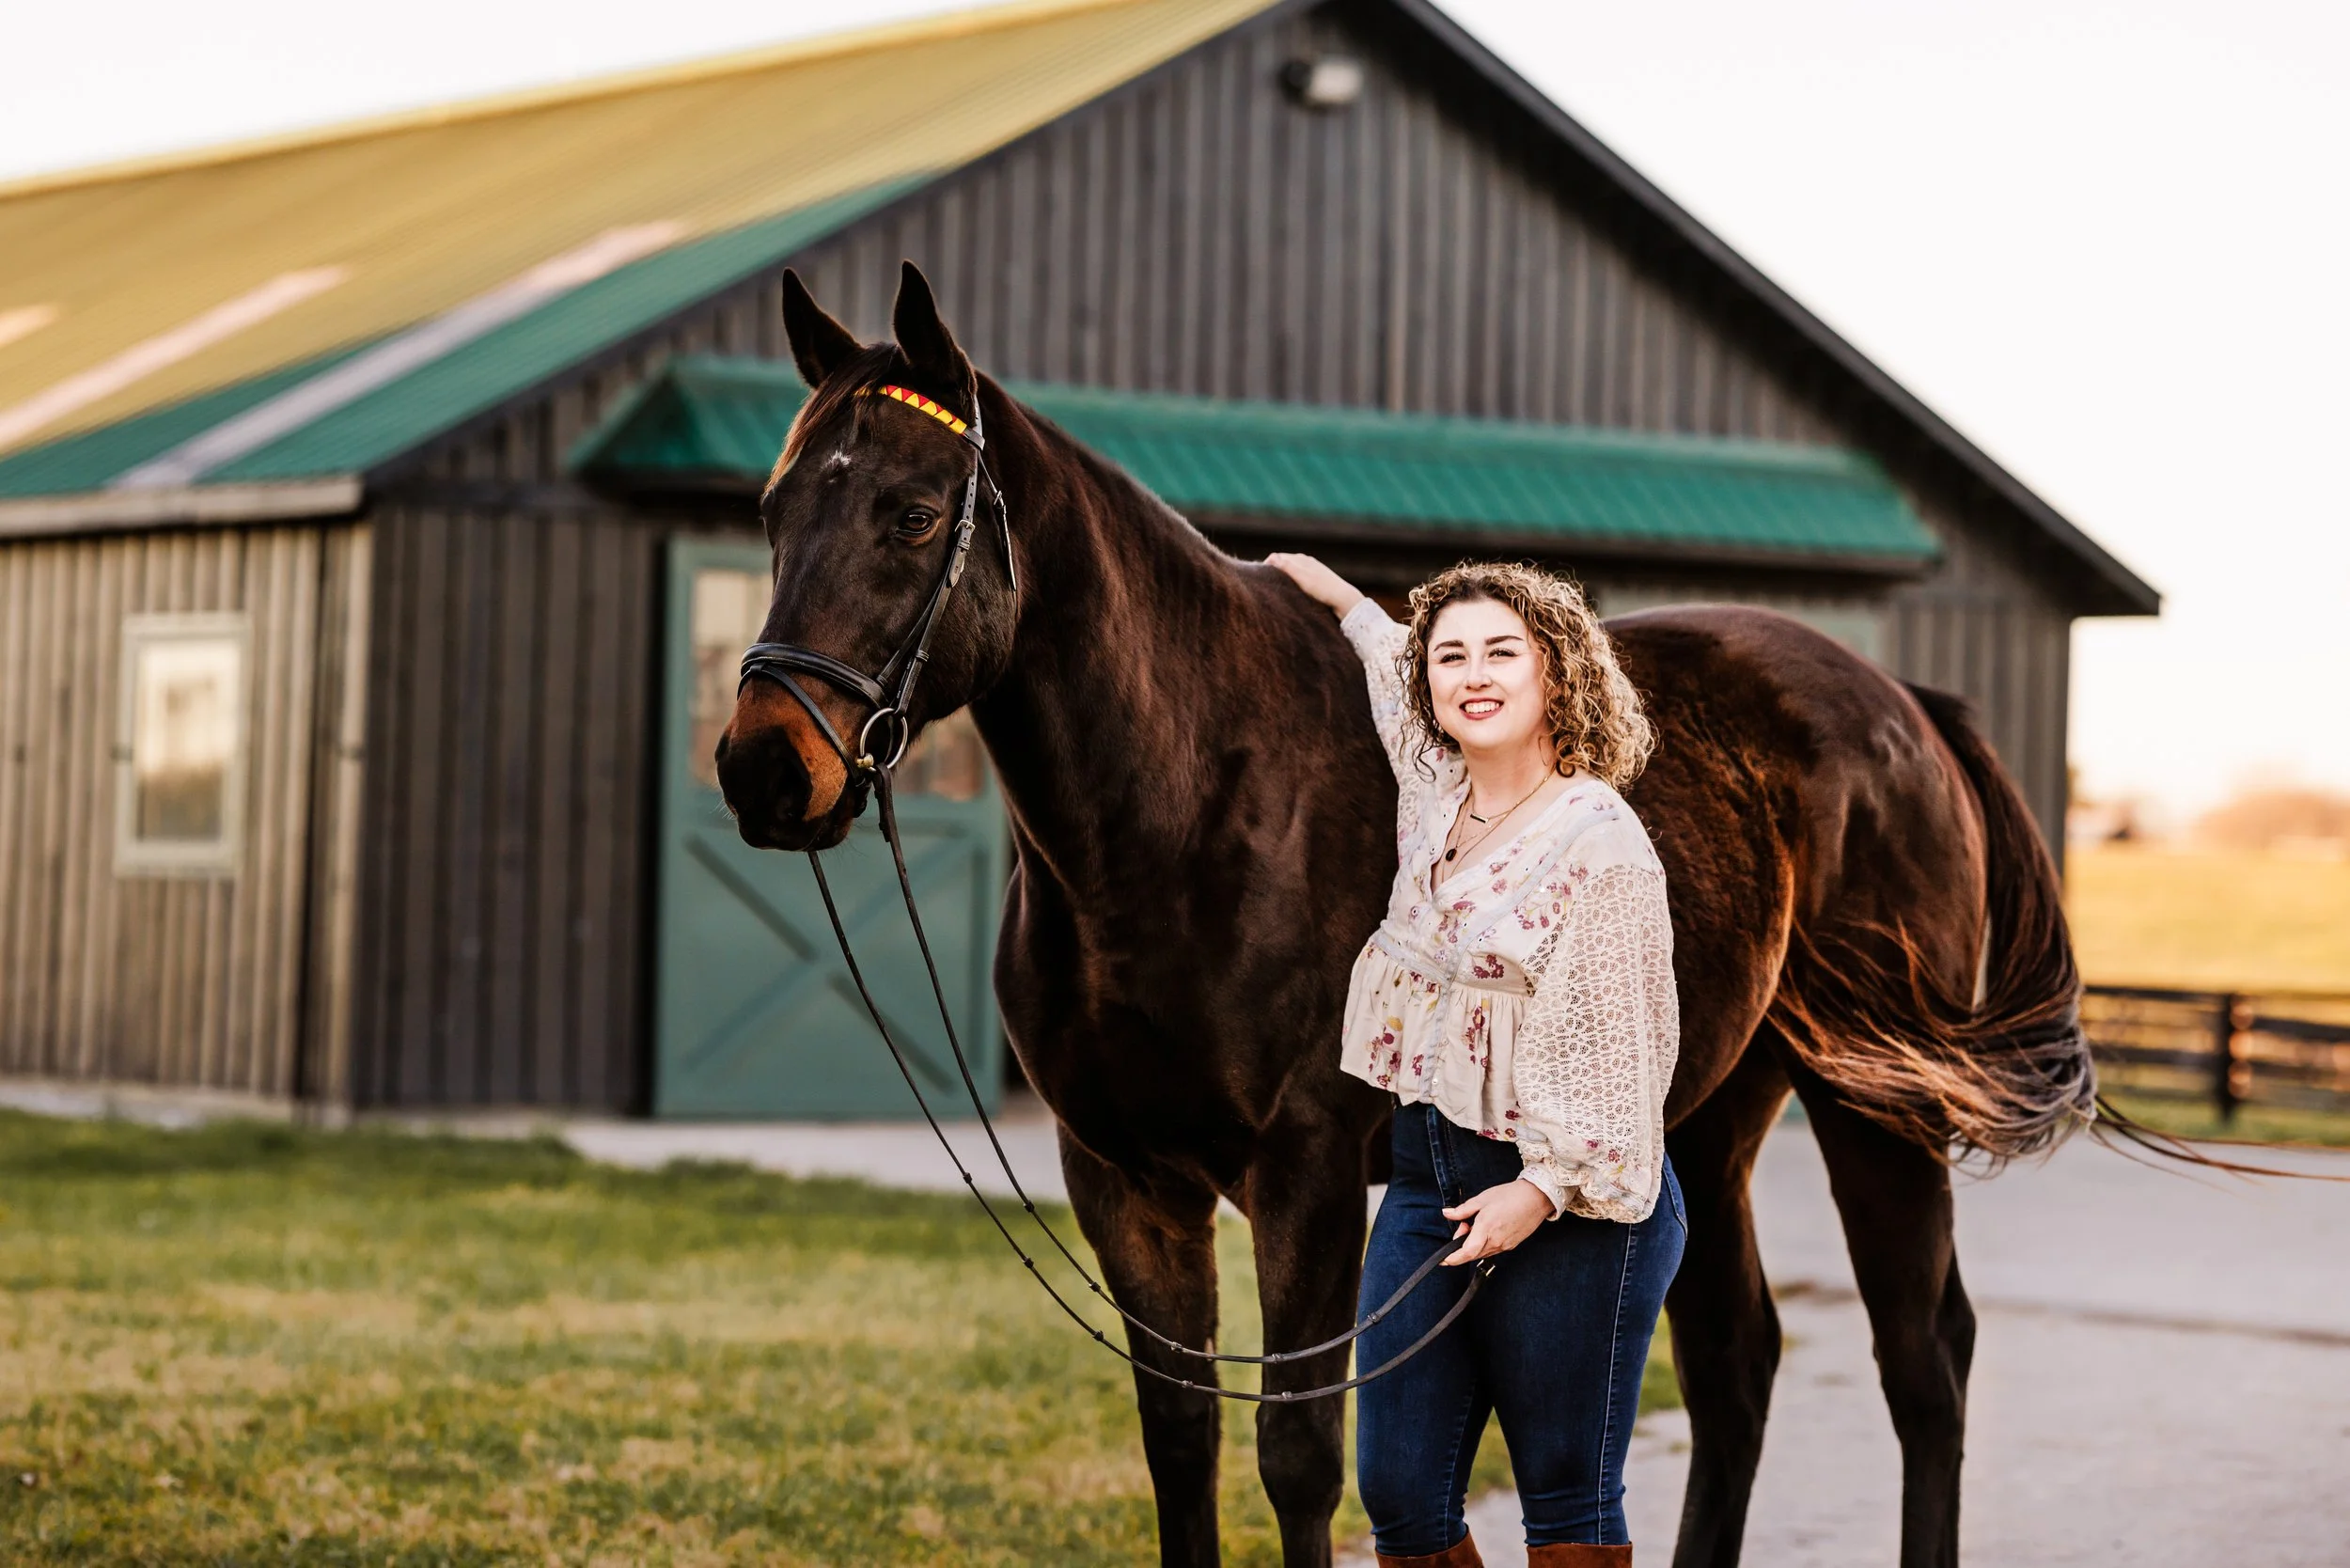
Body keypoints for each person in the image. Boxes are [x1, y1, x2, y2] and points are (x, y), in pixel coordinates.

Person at [1267, 555, 1687, 1568]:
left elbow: (1625, 1059)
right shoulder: (1435, 793)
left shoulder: (1601, 843)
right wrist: (1346, 603)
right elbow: (1392, 677)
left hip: (1577, 1207)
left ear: (1556, 671)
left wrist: (1538, 1191)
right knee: (1399, 1494)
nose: (1474, 675)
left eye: (1503, 652)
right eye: (1450, 658)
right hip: (1429, 1184)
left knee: (1566, 1497)